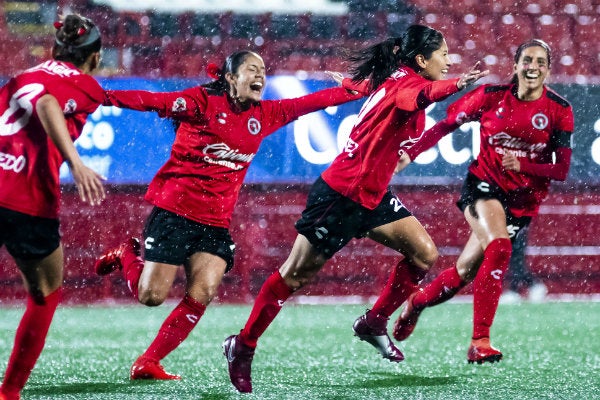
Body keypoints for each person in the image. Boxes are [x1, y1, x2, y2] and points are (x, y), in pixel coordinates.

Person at [222, 24, 489, 393]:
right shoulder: (407, 84)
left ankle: (374, 322)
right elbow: (422, 94)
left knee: (423, 254)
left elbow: (380, 89)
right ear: (422, 59)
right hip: (342, 194)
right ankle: (243, 345)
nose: (448, 61)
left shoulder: (394, 77)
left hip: (373, 194)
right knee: (294, 276)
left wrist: (352, 83)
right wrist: (457, 84)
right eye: (443, 55)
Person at [93, 50, 363, 381]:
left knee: (202, 293)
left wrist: (355, 89)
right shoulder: (201, 102)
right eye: (252, 69)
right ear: (231, 77)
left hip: (215, 222)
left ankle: (148, 361)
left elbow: (311, 102)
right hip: (175, 212)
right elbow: (152, 100)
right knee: (151, 297)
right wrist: (103, 95)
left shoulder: (266, 114)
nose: (260, 75)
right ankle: (126, 256)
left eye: (263, 70)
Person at [392, 39, 573, 363]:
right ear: (516, 65)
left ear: (548, 69)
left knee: (463, 272)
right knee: (500, 247)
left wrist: (525, 166)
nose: (533, 66)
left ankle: (417, 302)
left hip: (522, 202)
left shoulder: (559, 110)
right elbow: (445, 126)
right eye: (527, 60)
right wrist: (411, 152)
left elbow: (561, 169)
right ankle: (480, 341)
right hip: (483, 187)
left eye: (540, 62)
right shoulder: (490, 97)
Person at [0, 15, 106, 400]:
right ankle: (9, 392)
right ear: (94, 57)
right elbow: (47, 104)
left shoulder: (22, 76)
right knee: (46, 291)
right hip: (25, 197)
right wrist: (75, 162)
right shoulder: (85, 85)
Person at [502, 226, 548, 303]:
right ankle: (532, 285)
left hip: (515, 227)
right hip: (515, 227)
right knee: (515, 260)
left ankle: (516, 290)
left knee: (515, 259)